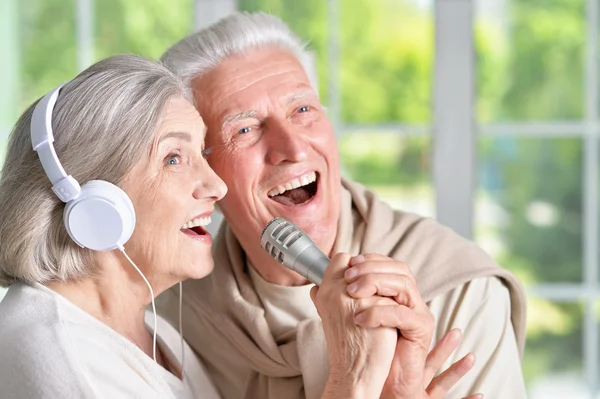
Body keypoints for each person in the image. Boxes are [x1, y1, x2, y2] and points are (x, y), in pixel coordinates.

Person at [0, 54, 472, 399]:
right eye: (174, 158)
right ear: (96, 201)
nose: (216, 186)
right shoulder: (61, 360)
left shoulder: (157, 334)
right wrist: (353, 380)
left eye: (201, 154)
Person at [157, 11, 528, 399]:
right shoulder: (175, 320)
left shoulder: (460, 291)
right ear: (203, 170)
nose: (293, 147)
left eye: (302, 110)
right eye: (245, 129)